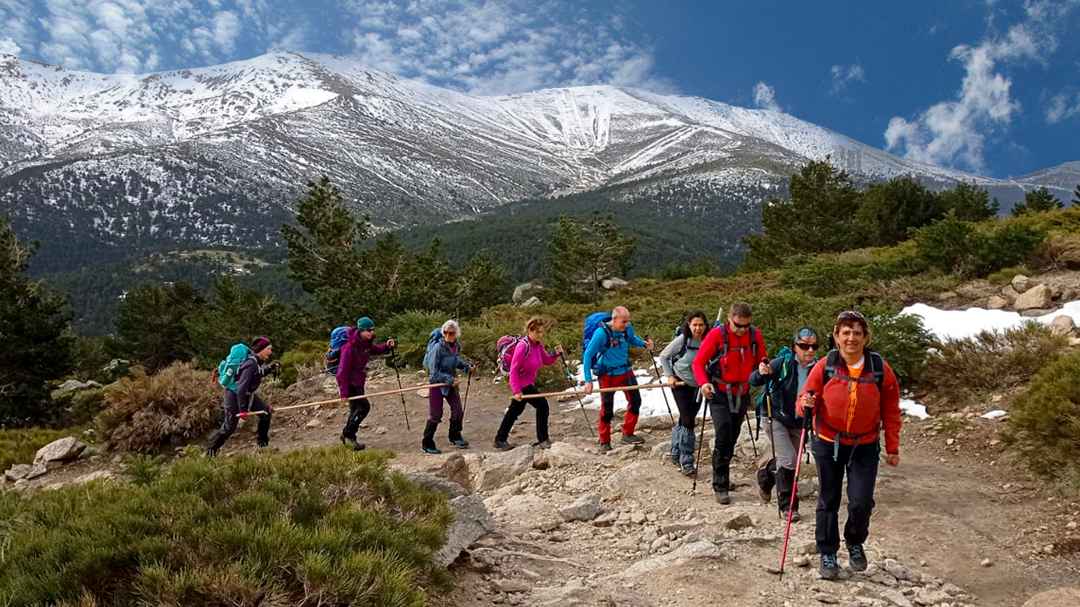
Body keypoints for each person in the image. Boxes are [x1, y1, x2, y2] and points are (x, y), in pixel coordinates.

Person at [798, 310, 901, 581]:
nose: (851, 338)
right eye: (846, 332)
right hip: (827, 441)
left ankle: (855, 541)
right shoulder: (825, 365)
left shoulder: (879, 368)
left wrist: (893, 446)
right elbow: (806, 397)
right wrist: (805, 404)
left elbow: (891, 409)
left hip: (865, 444)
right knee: (828, 499)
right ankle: (827, 552)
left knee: (861, 501)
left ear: (866, 337)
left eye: (857, 332)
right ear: (836, 336)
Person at [692, 302, 767, 504]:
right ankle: (720, 484)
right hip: (718, 392)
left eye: (746, 326)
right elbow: (698, 362)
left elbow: (762, 358)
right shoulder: (717, 335)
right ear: (730, 319)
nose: (742, 330)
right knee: (724, 433)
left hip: (742, 393)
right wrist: (703, 383)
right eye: (738, 325)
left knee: (732, 436)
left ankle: (723, 473)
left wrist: (763, 367)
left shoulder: (754, 335)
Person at [749, 326, 821, 521]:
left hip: (799, 421)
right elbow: (753, 380)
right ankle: (788, 506)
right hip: (775, 417)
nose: (810, 350)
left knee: (789, 459)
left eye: (814, 346)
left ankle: (765, 476)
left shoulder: (819, 368)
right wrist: (762, 372)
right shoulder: (783, 363)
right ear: (794, 346)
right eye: (804, 346)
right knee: (789, 459)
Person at [582, 306, 654, 450]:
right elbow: (588, 356)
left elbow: (632, 339)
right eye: (623, 322)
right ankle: (604, 441)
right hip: (607, 375)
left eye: (628, 321)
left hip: (625, 371)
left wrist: (644, 344)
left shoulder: (627, 328)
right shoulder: (601, 333)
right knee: (607, 409)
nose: (626, 325)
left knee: (635, 401)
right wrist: (588, 381)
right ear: (614, 320)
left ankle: (628, 433)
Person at [494, 317, 564, 451]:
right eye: (538, 332)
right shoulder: (523, 346)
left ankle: (500, 439)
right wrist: (516, 391)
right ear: (530, 331)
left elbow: (546, 361)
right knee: (543, 406)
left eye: (542, 332)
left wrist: (556, 354)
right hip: (522, 384)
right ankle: (543, 439)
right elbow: (514, 370)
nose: (540, 335)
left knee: (515, 411)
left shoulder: (537, 345)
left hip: (527, 383)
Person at [207, 336, 276, 456]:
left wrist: (270, 369)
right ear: (261, 349)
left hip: (247, 395)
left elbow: (258, 373)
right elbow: (241, 388)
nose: (270, 352)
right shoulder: (251, 364)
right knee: (229, 427)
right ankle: (211, 452)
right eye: (269, 349)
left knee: (265, 413)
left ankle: (263, 447)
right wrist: (243, 410)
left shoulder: (256, 362)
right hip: (233, 396)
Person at [659, 310, 708, 476]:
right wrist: (669, 376)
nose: (698, 328)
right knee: (688, 420)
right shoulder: (682, 340)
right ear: (689, 325)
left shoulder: (708, 340)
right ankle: (686, 460)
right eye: (695, 325)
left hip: (699, 385)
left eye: (701, 325)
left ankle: (675, 450)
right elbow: (664, 356)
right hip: (680, 384)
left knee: (686, 418)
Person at [336, 316, 396, 451]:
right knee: (364, 407)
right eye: (369, 330)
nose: (371, 332)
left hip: (359, 382)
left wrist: (386, 346)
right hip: (351, 383)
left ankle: (348, 437)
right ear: (361, 331)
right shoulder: (349, 348)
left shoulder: (365, 344)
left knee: (355, 410)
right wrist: (344, 393)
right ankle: (348, 435)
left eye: (373, 330)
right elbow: (342, 372)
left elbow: (375, 350)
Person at [423, 320, 474, 455]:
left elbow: (455, 360)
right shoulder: (437, 348)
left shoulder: (455, 346)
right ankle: (427, 443)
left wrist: (466, 367)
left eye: (451, 333)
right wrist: (449, 379)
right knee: (436, 415)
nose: (448, 335)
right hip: (437, 385)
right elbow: (433, 374)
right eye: (445, 332)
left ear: (456, 334)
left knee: (458, 411)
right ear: (443, 333)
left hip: (451, 384)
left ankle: (455, 436)